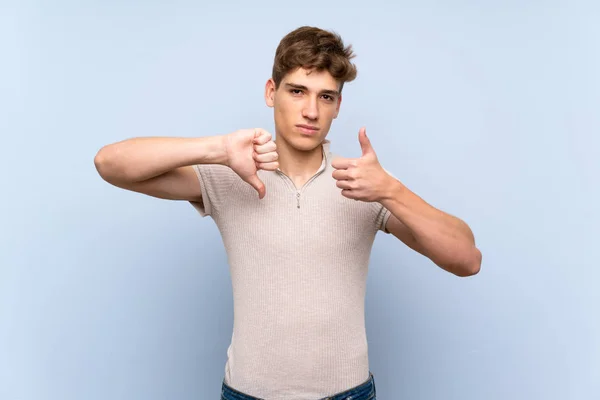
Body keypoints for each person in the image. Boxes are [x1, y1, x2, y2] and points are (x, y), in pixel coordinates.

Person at [94, 25, 482, 400]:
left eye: (326, 97)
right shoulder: (231, 175)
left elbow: (466, 259)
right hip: (247, 394)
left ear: (338, 106)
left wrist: (391, 191)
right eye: (297, 91)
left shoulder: (364, 182)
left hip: (348, 395)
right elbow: (109, 163)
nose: (311, 111)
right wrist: (217, 149)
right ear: (271, 91)